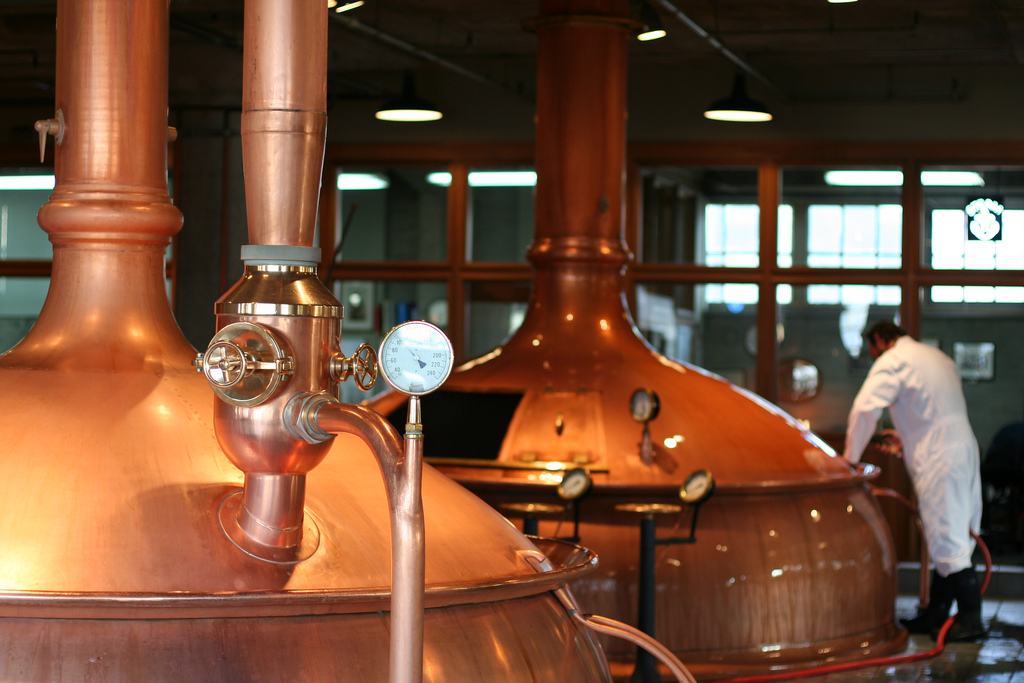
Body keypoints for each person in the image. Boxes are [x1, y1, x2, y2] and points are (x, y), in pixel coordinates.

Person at [844, 321, 984, 641]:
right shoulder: (936, 357)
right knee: (948, 533)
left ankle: (971, 618)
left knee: (947, 536)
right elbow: (932, 410)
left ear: (879, 340)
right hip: (962, 447)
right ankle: (936, 614)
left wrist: (849, 460)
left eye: (872, 349)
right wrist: (906, 436)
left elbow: (865, 409)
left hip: (940, 455)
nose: (873, 355)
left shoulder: (894, 360)